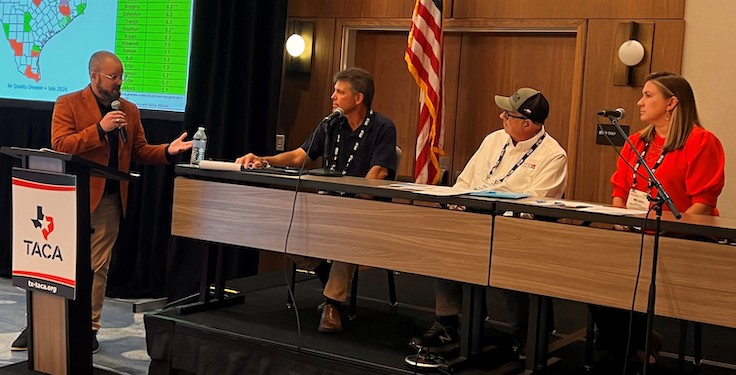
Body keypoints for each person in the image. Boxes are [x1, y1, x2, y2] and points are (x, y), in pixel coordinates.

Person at [10, 51, 192, 353]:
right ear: (94, 76)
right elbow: (61, 145)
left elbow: (140, 150)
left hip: (109, 198)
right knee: (54, 262)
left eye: (121, 76)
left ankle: (88, 327)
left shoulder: (129, 111)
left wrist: (167, 151)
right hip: (67, 198)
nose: (119, 82)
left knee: (98, 266)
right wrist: (99, 129)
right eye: (113, 77)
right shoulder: (68, 103)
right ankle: (41, 323)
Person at [235, 67, 397, 333]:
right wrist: (265, 159)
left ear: (358, 98)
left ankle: (332, 305)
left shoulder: (383, 127)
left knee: (346, 240)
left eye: (339, 92)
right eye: (334, 90)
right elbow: (301, 155)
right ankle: (327, 278)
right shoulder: (331, 124)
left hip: (363, 209)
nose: (333, 96)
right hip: (328, 205)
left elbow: (378, 173)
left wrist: (353, 202)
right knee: (287, 231)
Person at [410, 87, 567, 357]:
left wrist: (496, 221)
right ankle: (449, 322)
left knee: (505, 249)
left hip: (516, 229)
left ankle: (526, 333)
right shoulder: (494, 140)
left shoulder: (553, 155)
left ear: (527, 124)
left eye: (508, 115)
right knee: (446, 238)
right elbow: (465, 181)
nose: (501, 117)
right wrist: (456, 203)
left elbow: (537, 206)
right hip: (473, 218)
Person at [590, 72, 725, 366]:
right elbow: (620, 189)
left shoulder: (702, 142)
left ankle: (630, 346)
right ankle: (637, 342)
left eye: (648, 95)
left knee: (632, 275)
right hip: (636, 233)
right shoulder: (637, 141)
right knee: (594, 275)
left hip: (682, 238)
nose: (639, 102)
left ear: (671, 103)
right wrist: (621, 221)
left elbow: (702, 204)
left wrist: (668, 232)